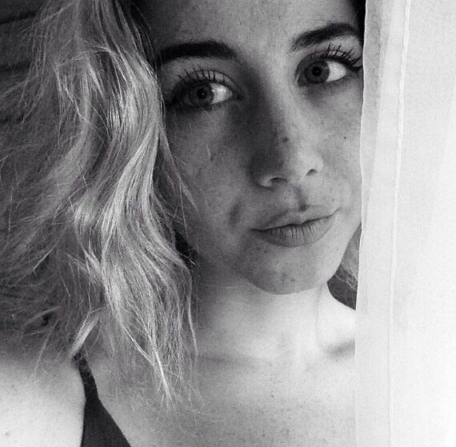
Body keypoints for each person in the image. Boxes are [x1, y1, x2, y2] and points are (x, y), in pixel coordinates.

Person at [0, 0, 364, 445]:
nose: (290, 161)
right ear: (128, 130)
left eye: (322, 70)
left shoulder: (439, 367)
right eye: (204, 93)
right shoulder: (27, 402)